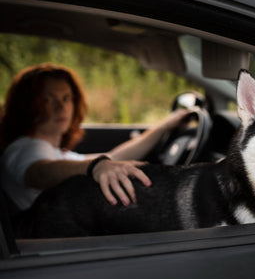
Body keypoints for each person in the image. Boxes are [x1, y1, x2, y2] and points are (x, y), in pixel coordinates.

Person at [0, 63, 190, 212]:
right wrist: (95, 167)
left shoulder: (51, 151)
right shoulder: (26, 148)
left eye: (66, 98)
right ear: (25, 106)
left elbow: (113, 158)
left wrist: (165, 125)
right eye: (47, 100)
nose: (61, 107)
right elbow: (39, 173)